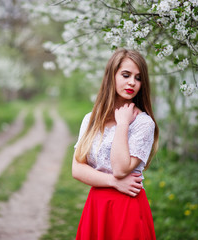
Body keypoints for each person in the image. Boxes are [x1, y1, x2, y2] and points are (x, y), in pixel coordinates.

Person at [72, 48, 159, 240]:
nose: (132, 83)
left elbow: (120, 169)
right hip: (96, 206)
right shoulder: (91, 119)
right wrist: (113, 182)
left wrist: (123, 124)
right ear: (111, 76)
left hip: (127, 207)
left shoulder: (144, 123)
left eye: (138, 78)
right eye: (126, 75)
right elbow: (77, 169)